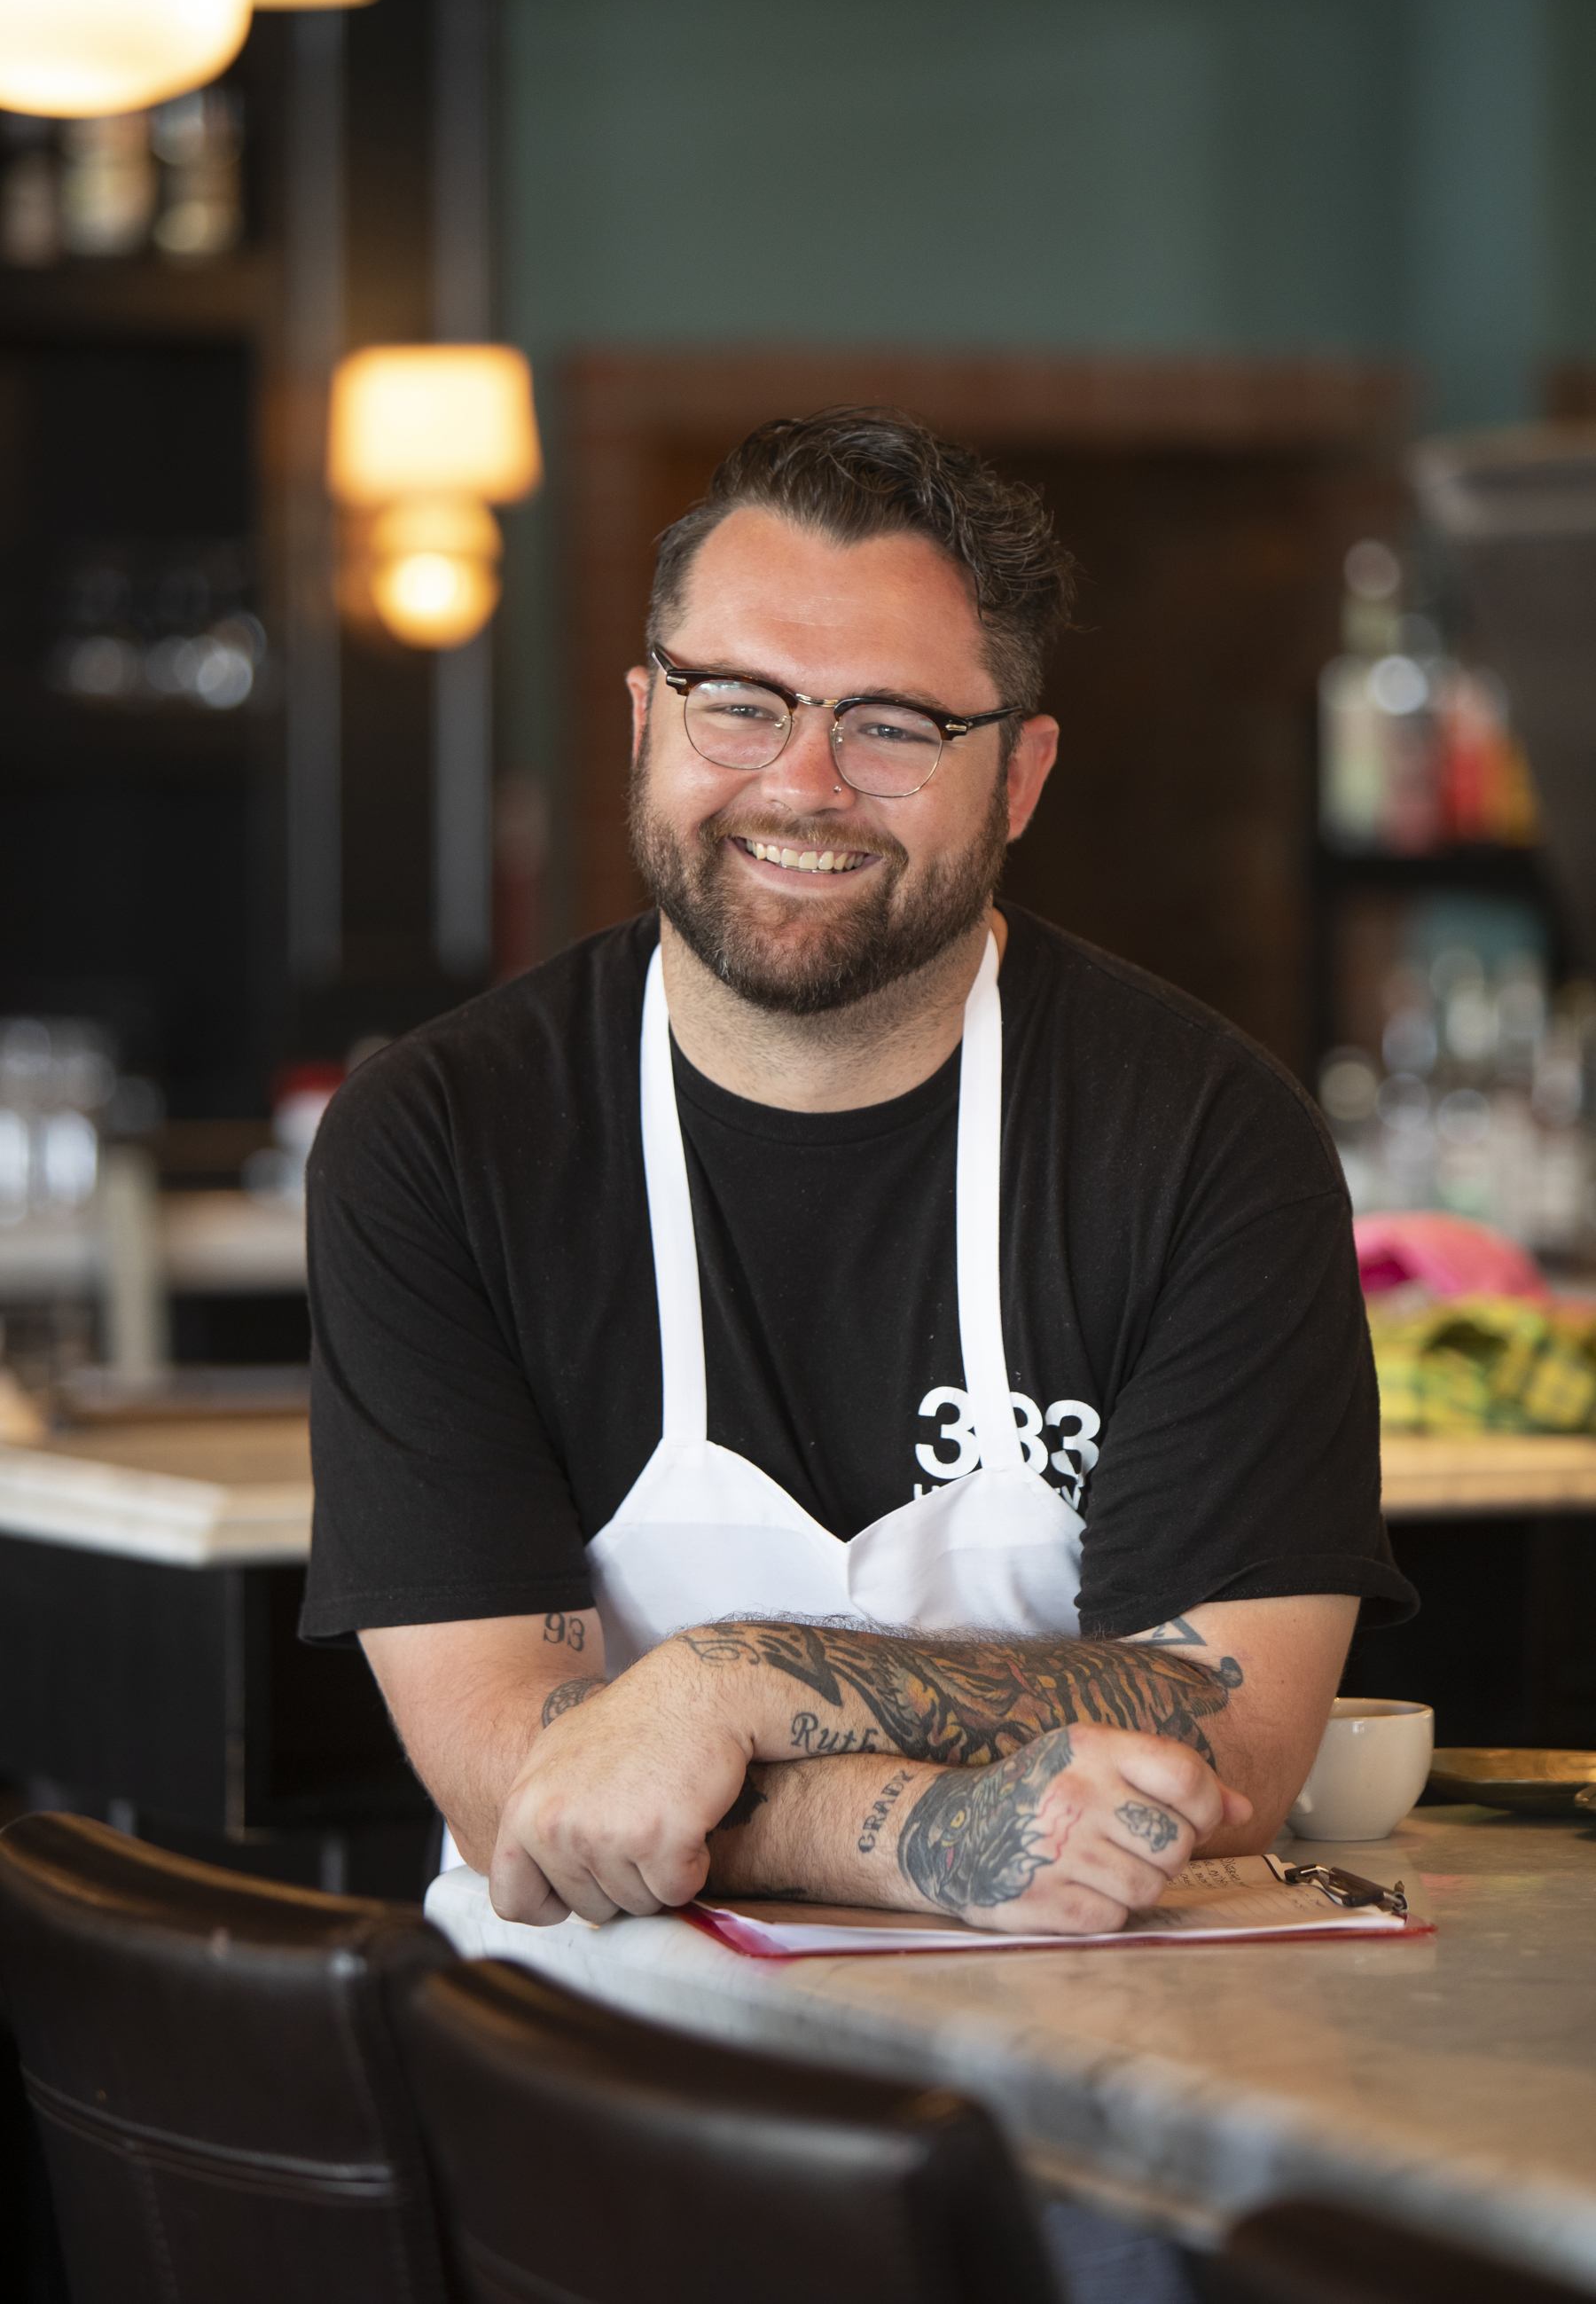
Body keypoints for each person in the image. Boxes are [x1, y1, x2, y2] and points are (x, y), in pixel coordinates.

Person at [302, 406, 1415, 1946]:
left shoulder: (1209, 1140)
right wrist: (916, 1831)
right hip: (582, 2078)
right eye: (738, 703)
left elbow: (1231, 1730)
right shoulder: (442, 1141)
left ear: (1017, 779)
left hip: (1097, 2074)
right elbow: (526, 1788)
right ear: (643, 719)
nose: (804, 783)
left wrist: (727, 1681)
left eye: (892, 724)